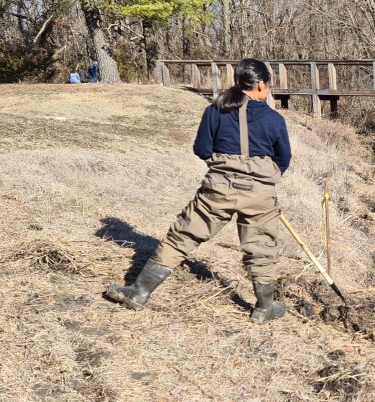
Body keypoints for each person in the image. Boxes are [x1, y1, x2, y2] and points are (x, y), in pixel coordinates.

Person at [105, 58, 292, 323]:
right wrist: (261, 178)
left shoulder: (215, 111)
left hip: (218, 188)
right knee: (262, 249)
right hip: (260, 194)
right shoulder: (274, 119)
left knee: (181, 237)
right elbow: (283, 158)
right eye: (269, 84)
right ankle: (264, 309)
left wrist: (225, 167)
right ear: (261, 85)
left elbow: (202, 149)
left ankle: (139, 292)